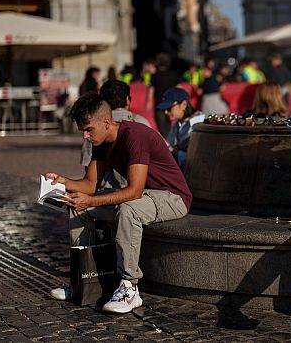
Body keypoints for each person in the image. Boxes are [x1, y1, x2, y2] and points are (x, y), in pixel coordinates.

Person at [45, 94, 192, 313]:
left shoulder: (135, 136)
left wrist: (91, 200)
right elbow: (90, 185)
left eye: (88, 129)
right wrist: (63, 181)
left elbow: (133, 191)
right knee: (78, 208)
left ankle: (130, 288)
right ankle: (82, 281)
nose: (85, 136)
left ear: (106, 121)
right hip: (146, 196)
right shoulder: (101, 142)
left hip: (172, 197)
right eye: (82, 131)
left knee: (128, 209)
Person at [80, 80, 152, 168]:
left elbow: (87, 164)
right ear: (127, 100)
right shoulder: (142, 122)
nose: (85, 135)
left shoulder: (94, 126)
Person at [157, 87, 205, 169]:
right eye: (164, 109)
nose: (165, 112)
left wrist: (169, 147)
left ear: (183, 104)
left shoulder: (201, 124)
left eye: (169, 108)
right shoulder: (178, 123)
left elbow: (193, 160)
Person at [151, 53, 182, 138]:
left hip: (159, 105)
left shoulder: (155, 76)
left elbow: (151, 91)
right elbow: (179, 87)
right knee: (169, 125)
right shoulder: (173, 74)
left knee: (161, 127)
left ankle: (168, 145)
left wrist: (148, 104)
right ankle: (171, 144)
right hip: (171, 104)